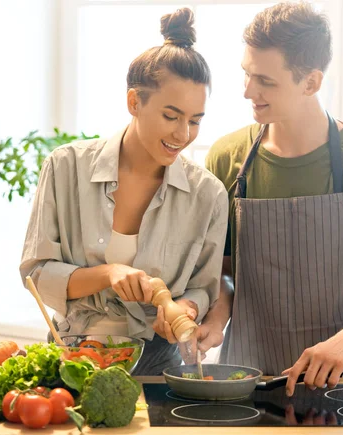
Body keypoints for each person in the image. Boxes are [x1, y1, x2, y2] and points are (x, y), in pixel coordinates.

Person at [201, 1, 343, 395]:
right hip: (246, 381)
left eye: (265, 81)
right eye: (246, 74)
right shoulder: (227, 159)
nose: (247, 91)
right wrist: (216, 319)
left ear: (311, 82)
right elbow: (223, 271)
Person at [19, 8, 228, 376]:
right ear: (134, 102)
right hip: (72, 356)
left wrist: (186, 309)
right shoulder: (65, 167)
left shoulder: (207, 194)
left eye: (195, 121)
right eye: (171, 116)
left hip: (159, 364)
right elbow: (36, 273)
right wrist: (108, 272)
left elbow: (203, 288)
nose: (183, 134)